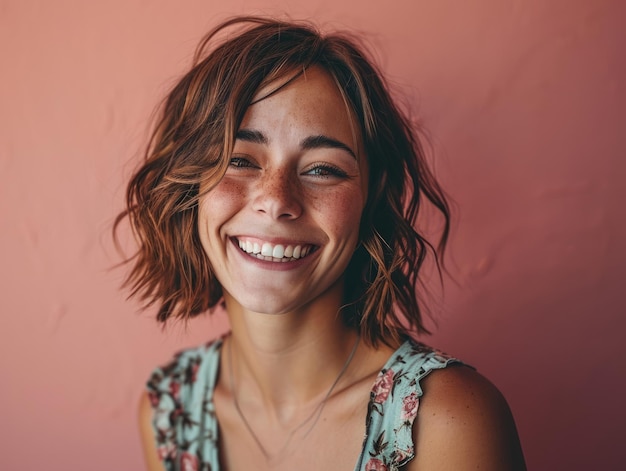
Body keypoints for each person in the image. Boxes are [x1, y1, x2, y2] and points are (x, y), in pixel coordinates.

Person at [117, 16, 526, 471]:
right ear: (188, 188)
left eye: (322, 169)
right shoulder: (170, 411)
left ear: (370, 201)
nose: (276, 201)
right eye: (238, 159)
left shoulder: (449, 421)